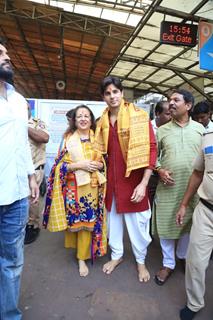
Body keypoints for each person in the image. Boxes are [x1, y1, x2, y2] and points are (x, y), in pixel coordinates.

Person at [95, 76, 157, 282]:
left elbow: (151, 148)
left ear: (121, 93)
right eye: (108, 93)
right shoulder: (102, 121)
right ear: (103, 97)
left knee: (138, 226)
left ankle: (141, 262)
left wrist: (144, 183)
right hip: (112, 183)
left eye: (115, 92)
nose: (112, 96)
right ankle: (117, 256)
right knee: (113, 225)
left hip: (134, 181)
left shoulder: (138, 116)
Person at [0, 39, 39, 319]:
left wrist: (31, 177)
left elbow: (23, 143)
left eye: (6, 52)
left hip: (15, 195)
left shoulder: (17, 99)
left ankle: (9, 314)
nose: (7, 56)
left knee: (12, 262)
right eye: (0, 53)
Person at [43, 105, 107, 277]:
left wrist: (99, 165)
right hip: (73, 189)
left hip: (92, 188)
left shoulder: (98, 139)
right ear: (74, 120)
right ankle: (80, 258)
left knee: (88, 223)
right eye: (80, 116)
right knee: (76, 223)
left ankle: (82, 257)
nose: (83, 119)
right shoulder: (68, 139)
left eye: (86, 116)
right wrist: (80, 165)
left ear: (91, 120)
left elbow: (104, 162)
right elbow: (59, 166)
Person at [152, 89, 205, 285]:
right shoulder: (162, 131)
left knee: (187, 224)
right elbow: (153, 157)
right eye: (169, 100)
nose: (171, 103)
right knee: (166, 225)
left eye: (176, 100)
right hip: (168, 187)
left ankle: (181, 256)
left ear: (188, 106)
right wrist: (159, 170)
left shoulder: (201, 130)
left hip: (193, 188)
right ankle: (168, 264)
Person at [176, 130, 213, 320]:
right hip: (206, 211)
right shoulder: (208, 138)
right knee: (196, 261)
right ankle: (194, 303)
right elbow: (198, 173)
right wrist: (183, 204)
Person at [24, 103, 49, 244]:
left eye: (26, 108)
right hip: (14, 168)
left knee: (32, 199)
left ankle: (33, 226)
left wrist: (23, 127)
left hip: (34, 169)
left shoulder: (37, 123)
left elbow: (44, 138)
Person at [149, 100, 171, 208]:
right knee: (151, 204)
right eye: (167, 114)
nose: (171, 117)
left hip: (167, 175)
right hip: (151, 176)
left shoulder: (171, 129)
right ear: (157, 113)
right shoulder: (147, 128)